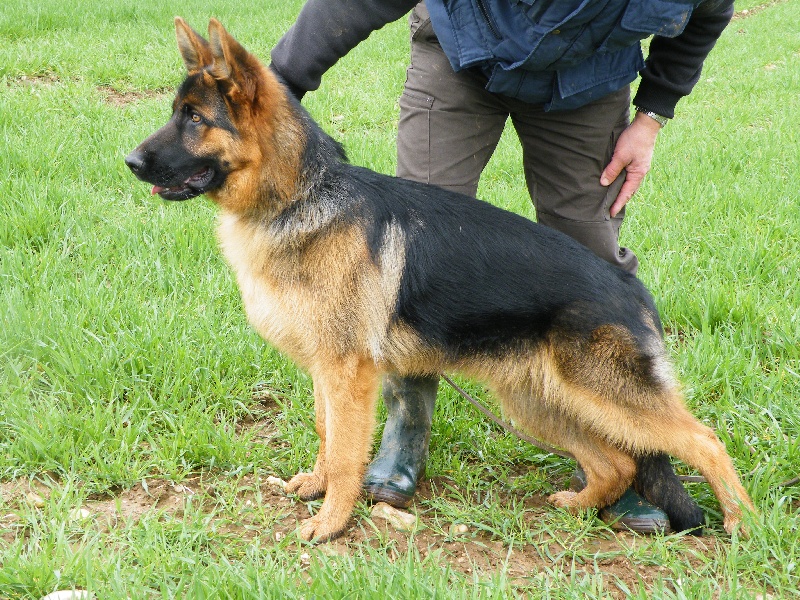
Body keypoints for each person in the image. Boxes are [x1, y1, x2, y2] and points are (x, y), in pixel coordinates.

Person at [270, 0, 734, 533]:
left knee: (589, 259)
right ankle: (405, 429)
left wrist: (652, 113)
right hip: (461, 48)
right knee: (416, 255)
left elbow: (710, 10)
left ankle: (628, 460)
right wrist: (279, 81)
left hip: (586, 77)